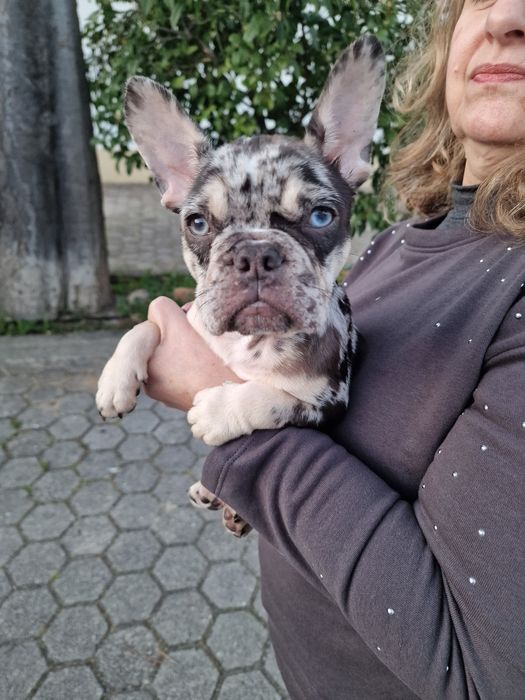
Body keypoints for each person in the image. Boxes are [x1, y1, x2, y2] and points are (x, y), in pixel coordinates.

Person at [145, 0, 525, 697]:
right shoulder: (405, 237)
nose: (505, 13)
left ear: (349, 154)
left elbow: (478, 673)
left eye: (316, 216)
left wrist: (228, 416)